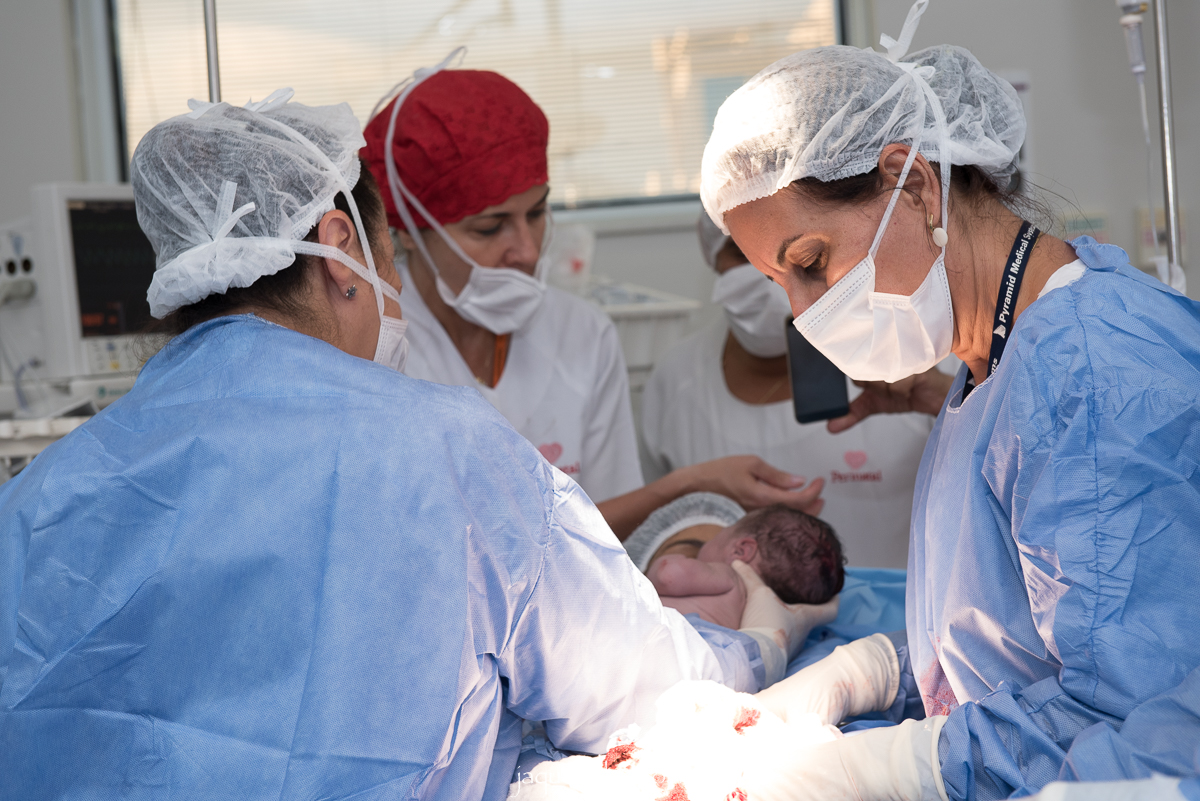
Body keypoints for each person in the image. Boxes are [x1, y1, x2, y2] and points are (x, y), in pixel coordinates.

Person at [0, 91, 816, 801]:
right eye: (389, 256)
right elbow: (643, 687)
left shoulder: (45, 492)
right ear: (341, 249)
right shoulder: (445, 450)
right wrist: (759, 644)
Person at [699, 0, 1200, 798]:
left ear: (915, 184)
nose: (803, 312)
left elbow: (1136, 724)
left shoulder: (1096, 372)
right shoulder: (985, 355)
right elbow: (1009, 641)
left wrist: (881, 766)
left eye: (811, 260)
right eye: (776, 281)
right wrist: (874, 671)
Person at [359, 56, 824, 539]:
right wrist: (684, 485)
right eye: (490, 227)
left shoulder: (581, 334)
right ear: (410, 231)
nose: (525, 249)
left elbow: (610, 530)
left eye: (537, 213)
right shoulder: (374, 349)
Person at [642, 214, 937, 567]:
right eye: (741, 251)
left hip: (898, 621)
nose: (766, 275)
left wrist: (946, 396)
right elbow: (651, 536)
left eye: (796, 253)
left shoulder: (911, 353)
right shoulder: (676, 380)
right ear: (712, 255)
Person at [648, 505, 845, 630]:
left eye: (727, 529)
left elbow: (669, 575)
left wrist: (671, 560)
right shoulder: (752, 618)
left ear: (741, 551)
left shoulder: (731, 578)